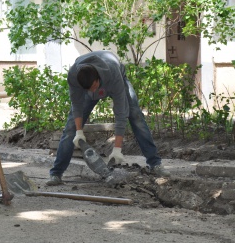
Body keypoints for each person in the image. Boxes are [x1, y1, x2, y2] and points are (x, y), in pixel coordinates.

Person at [46, 50, 169, 186]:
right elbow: (77, 105)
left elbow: (121, 113)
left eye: (94, 87)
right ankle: (56, 173)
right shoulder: (74, 76)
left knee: (135, 116)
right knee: (71, 128)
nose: (93, 92)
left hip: (115, 80)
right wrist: (79, 132)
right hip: (90, 82)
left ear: (98, 79)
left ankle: (155, 164)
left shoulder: (112, 74)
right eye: (88, 90)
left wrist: (117, 149)